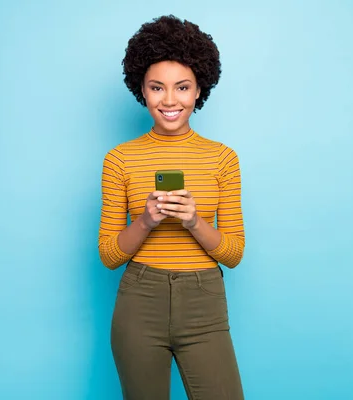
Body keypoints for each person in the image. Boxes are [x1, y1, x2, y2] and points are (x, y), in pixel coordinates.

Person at [98, 15, 245, 400]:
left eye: (182, 87)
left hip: (204, 303)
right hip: (139, 302)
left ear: (199, 90)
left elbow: (234, 254)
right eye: (156, 87)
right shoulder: (119, 159)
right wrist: (146, 220)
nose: (169, 100)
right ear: (141, 91)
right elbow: (110, 255)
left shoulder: (223, 159)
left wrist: (194, 220)